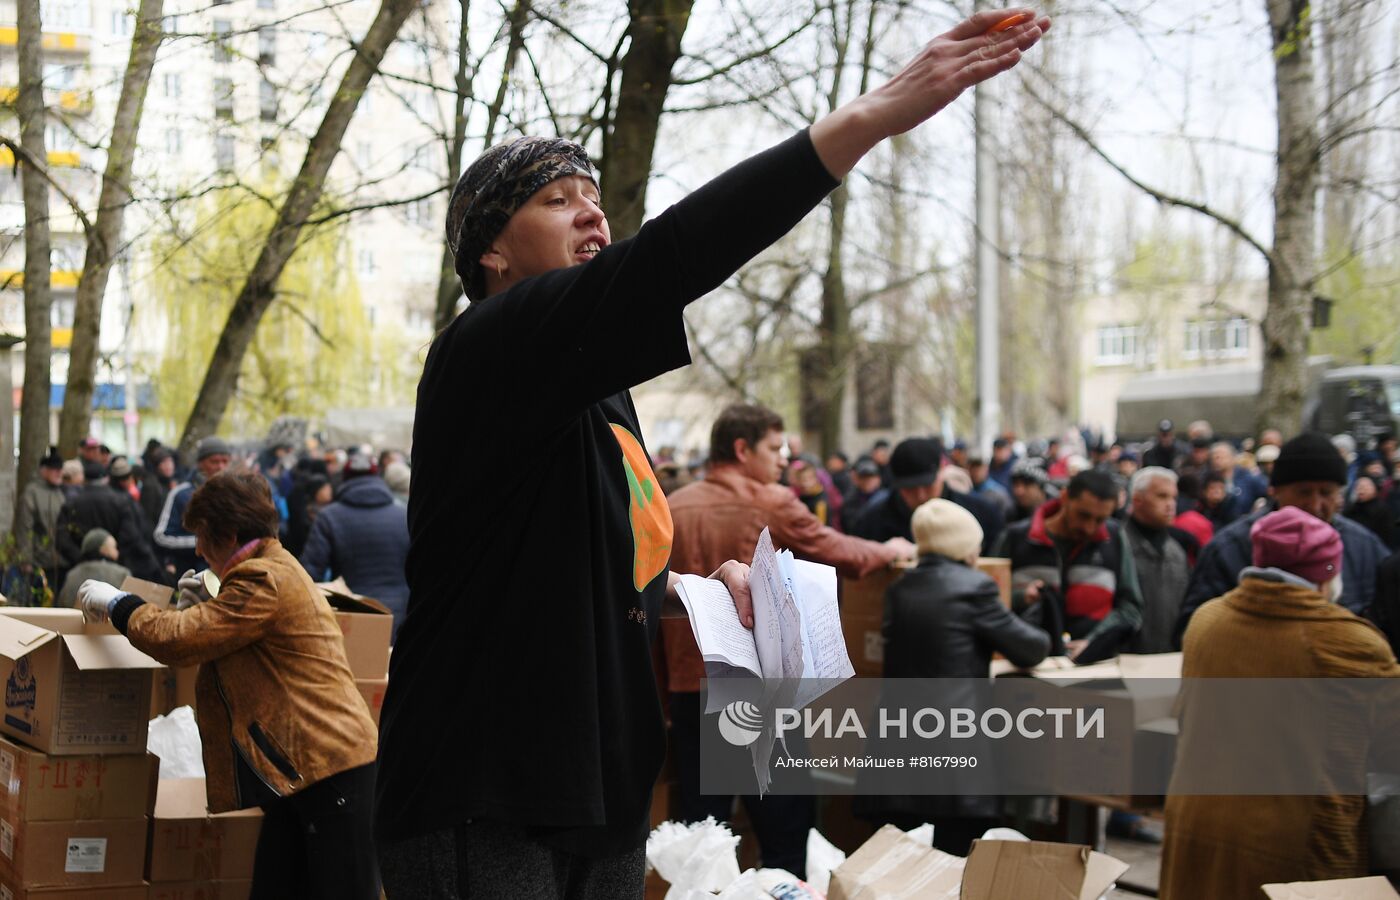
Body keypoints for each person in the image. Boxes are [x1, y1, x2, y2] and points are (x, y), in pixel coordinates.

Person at [374, 11, 1050, 897]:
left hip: (601, 787)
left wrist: (703, 597)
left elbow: (572, 577)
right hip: (488, 787)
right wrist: (872, 117)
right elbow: (672, 258)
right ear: (490, 251)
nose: (591, 212)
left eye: (594, 196)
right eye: (555, 198)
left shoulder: (598, 397)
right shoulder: (483, 350)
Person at [76, 471, 380, 899]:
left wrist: (118, 603)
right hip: (307, 767)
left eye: (203, 535)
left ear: (231, 534)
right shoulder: (270, 569)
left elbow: (179, 641)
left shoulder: (262, 580)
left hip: (328, 767)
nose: (198, 548)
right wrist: (210, 608)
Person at [661, 404, 912, 876]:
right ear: (741, 449)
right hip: (755, 691)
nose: (783, 459)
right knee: (782, 839)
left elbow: (645, 601)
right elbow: (840, 551)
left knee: (704, 846)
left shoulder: (672, 506)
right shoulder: (771, 501)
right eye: (774, 448)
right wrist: (891, 549)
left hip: (689, 688)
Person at [1160, 507, 1400, 898]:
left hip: (1197, 826)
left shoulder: (1207, 621)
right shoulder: (1347, 642)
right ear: (1327, 575)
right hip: (1289, 847)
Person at [859, 498, 1048, 854]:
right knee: (952, 868)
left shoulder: (900, 589)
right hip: (951, 758)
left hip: (895, 749)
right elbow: (1030, 648)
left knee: (896, 869)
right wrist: (1036, 614)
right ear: (965, 546)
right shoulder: (975, 588)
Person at [1176, 432, 1391, 645]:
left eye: (1326, 493)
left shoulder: (1365, 547)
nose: (1315, 505)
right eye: (1304, 492)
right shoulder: (1228, 549)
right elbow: (1192, 634)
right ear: (1274, 491)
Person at [993, 469, 1143, 662]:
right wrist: (1021, 597)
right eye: (1083, 515)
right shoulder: (1014, 538)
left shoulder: (1114, 538)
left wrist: (1095, 643)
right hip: (1026, 668)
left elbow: (1130, 606)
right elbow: (987, 604)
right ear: (1064, 497)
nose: (1089, 527)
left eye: (1100, 520)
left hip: (1094, 669)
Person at [300, 452, 411, 638]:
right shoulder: (404, 515)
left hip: (352, 616)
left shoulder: (329, 517)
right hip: (401, 615)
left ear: (344, 479)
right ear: (377, 477)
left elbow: (311, 574)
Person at [850, 437, 1003, 554]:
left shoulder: (983, 514)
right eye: (910, 489)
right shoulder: (870, 522)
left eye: (928, 486)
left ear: (942, 471)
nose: (921, 495)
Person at [1122, 468, 1197, 653]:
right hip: (1125, 659)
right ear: (1137, 500)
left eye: (1173, 498)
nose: (1170, 505)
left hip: (1168, 660)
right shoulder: (1118, 545)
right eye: (1162, 496)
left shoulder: (1176, 552)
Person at [55, 459, 163, 582]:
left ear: (84, 479)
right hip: (115, 570)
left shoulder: (72, 504)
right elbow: (129, 535)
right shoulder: (121, 501)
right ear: (106, 478)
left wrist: (81, 558)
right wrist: (115, 557)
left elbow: (61, 538)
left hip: (81, 573)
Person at [154, 437, 233, 577]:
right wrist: (203, 543)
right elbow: (161, 537)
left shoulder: (236, 494)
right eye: (214, 461)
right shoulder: (180, 494)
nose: (221, 466)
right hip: (192, 577)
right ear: (200, 464)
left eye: (225, 461)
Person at [15, 447, 67, 590]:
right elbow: (24, 528)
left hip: (61, 561)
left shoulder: (61, 492)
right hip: (40, 562)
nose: (59, 472)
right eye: (54, 469)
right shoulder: (31, 493)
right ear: (43, 470)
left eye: (60, 469)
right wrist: (26, 559)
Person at [56, 528, 130, 608]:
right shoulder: (122, 574)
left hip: (76, 619)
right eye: (114, 547)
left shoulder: (72, 575)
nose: (117, 553)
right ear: (103, 549)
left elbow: (63, 603)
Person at [842, 458, 885, 528]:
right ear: (857, 480)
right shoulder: (850, 501)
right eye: (863, 477)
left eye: (871, 477)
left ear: (878, 479)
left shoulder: (886, 498)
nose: (867, 481)